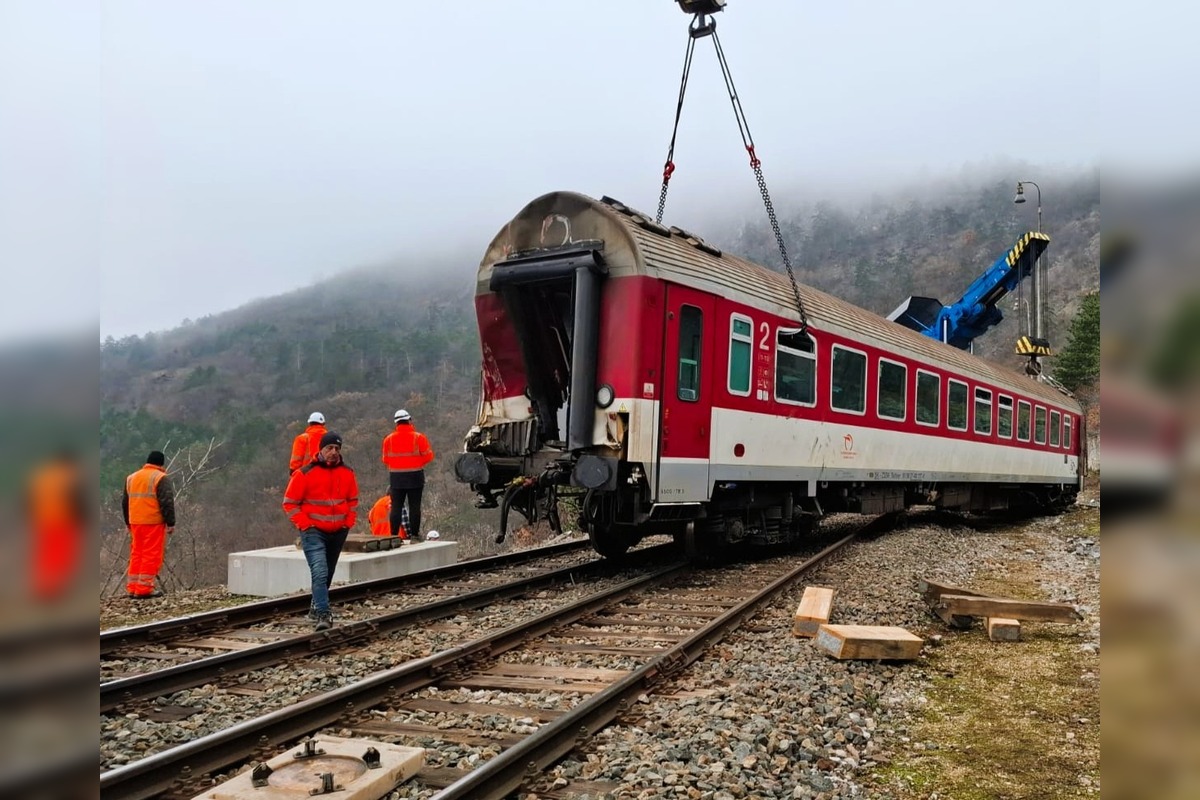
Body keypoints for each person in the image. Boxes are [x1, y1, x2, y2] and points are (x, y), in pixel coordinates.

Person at [283, 431, 358, 631]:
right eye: (329, 448)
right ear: (321, 450)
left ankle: (316, 607)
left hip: (338, 531)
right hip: (313, 531)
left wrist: (348, 521)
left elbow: (352, 500)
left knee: (328, 572)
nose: (333, 452)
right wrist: (305, 524)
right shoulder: (305, 473)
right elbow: (290, 503)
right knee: (320, 570)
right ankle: (324, 615)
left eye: (337, 448)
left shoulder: (348, 472)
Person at [122, 450, 176, 598]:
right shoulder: (160, 478)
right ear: (161, 464)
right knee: (151, 554)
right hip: (152, 522)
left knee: (137, 553)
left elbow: (125, 503)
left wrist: (128, 522)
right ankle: (144, 589)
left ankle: (133, 587)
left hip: (135, 522)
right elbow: (167, 502)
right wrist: (170, 522)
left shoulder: (131, 478)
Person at [381, 409, 434, 541]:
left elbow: (385, 459)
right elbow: (429, 456)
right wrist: (416, 463)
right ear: (409, 420)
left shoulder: (388, 439)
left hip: (396, 477)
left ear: (396, 423)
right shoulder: (419, 437)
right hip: (415, 476)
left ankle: (393, 536)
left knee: (396, 506)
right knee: (414, 506)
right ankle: (415, 536)